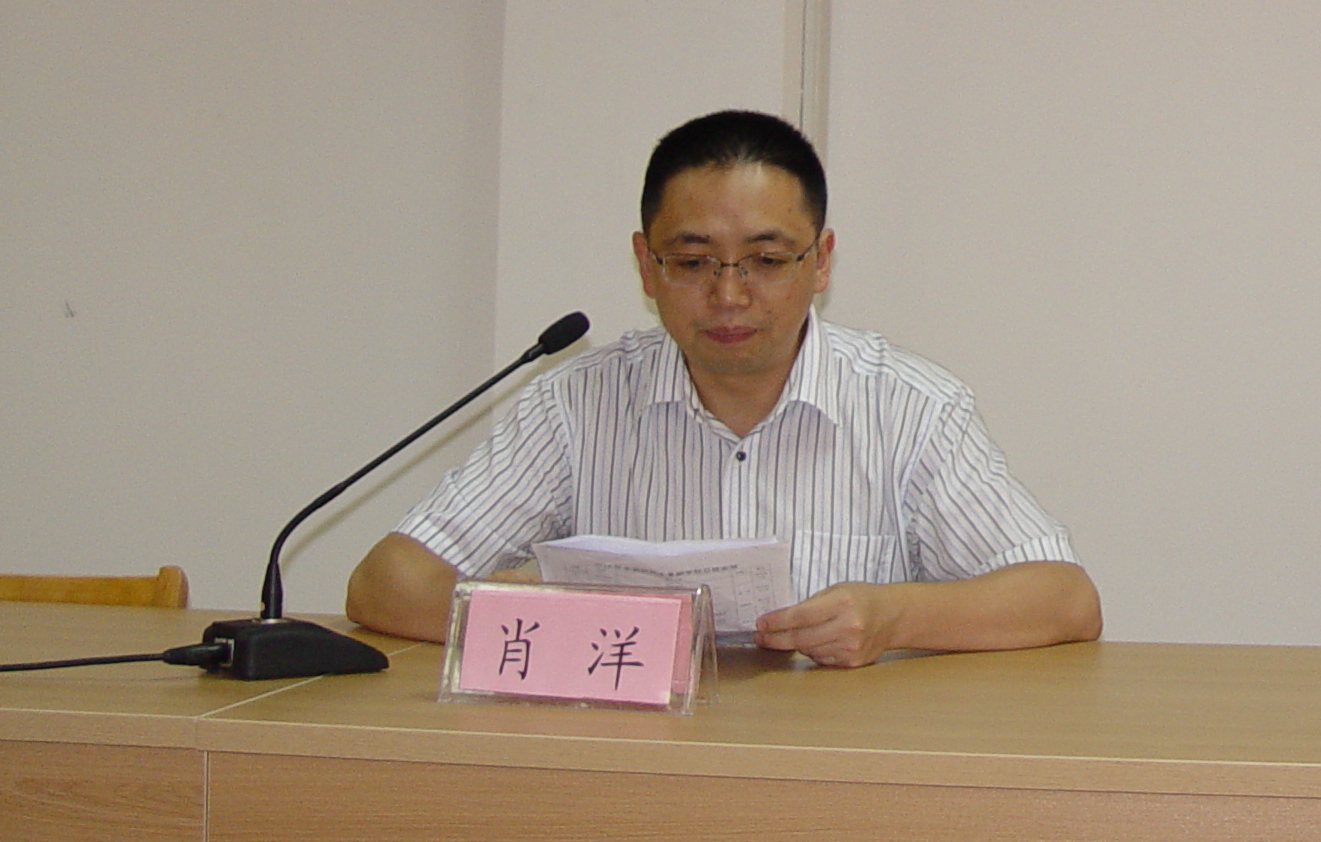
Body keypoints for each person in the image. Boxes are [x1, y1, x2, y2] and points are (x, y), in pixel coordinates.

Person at [347, 110, 1101, 667]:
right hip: (628, 771)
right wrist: (553, 617)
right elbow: (386, 584)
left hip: (834, 780)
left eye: (767, 261)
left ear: (821, 261)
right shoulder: (574, 405)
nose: (729, 295)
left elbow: (1066, 599)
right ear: (647, 267)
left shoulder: (910, 407)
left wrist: (895, 616)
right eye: (692, 261)